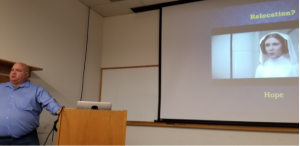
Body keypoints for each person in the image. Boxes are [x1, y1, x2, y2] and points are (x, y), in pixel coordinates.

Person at [0, 62, 61, 145]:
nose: (14, 72)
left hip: (26, 140)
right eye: (12, 70)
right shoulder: (1, 88)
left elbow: (50, 102)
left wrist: (60, 112)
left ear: (26, 74)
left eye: (18, 70)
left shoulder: (37, 90)